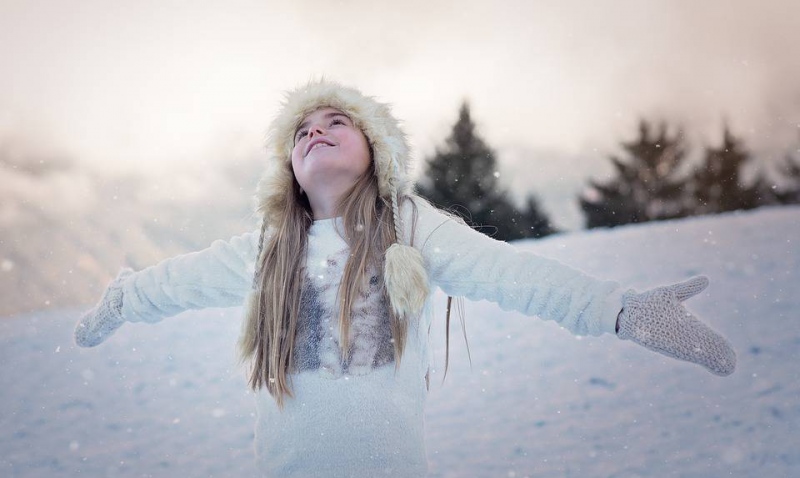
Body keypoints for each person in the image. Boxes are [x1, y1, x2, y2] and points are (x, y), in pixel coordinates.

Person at [74, 80, 736, 477]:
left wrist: (619, 309)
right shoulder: (269, 251)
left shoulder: (411, 228)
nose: (317, 132)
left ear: (376, 153)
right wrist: (124, 298)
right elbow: (178, 282)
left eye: (337, 122)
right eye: (302, 130)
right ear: (288, 167)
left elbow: (509, 273)